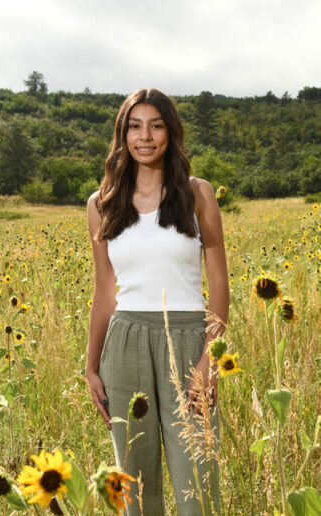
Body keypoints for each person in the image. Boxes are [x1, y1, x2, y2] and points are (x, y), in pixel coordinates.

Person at [86, 88, 229, 516]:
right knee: (135, 490)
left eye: (156, 125)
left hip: (187, 341)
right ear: (122, 135)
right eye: (135, 126)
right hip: (124, 344)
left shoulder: (197, 193)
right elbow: (104, 290)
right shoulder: (101, 204)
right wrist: (91, 365)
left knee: (197, 489)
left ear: (171, 132)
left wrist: (211, 360)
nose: (144, 136)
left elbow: (220, 286)